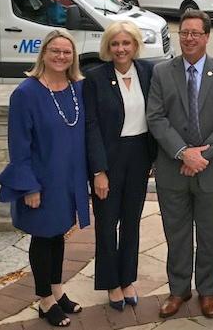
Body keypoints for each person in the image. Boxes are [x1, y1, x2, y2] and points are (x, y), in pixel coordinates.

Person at [147, 9, 213, 319]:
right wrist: (182, 152)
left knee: (212, 236)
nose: (188, 38)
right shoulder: (162, 72)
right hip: (172, 170)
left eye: (195, 33)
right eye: (184, 33)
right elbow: (156, 118)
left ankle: (208, 292)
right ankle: (178, 290)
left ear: (207, 37)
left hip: (212, 171)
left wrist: (201, 155)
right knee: (177, 235)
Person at [0, 29, 90, 327]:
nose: (61, 56)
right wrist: (29, 186)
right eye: (55, 51)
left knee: (59, 234)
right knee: (43, 237)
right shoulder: (26, 93)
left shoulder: (77, 88)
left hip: (68, 179)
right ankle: (44, 300)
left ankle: (57, 290)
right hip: (41, 181)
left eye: (67, 52)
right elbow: (19, 145)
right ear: (44, 54)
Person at [84, 21, 156, 311]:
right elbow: (91, 127)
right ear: (108, 47)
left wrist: (154, 158)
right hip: (109, 160)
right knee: (106, 222)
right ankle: (111, 283)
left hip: (139, 156)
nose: (121, 49)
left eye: (126, 43)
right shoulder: (95, 78)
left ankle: (127, 279)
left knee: (131, 222)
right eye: (115, 44)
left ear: (136, 46)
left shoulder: (148, 72)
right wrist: (99, 171)